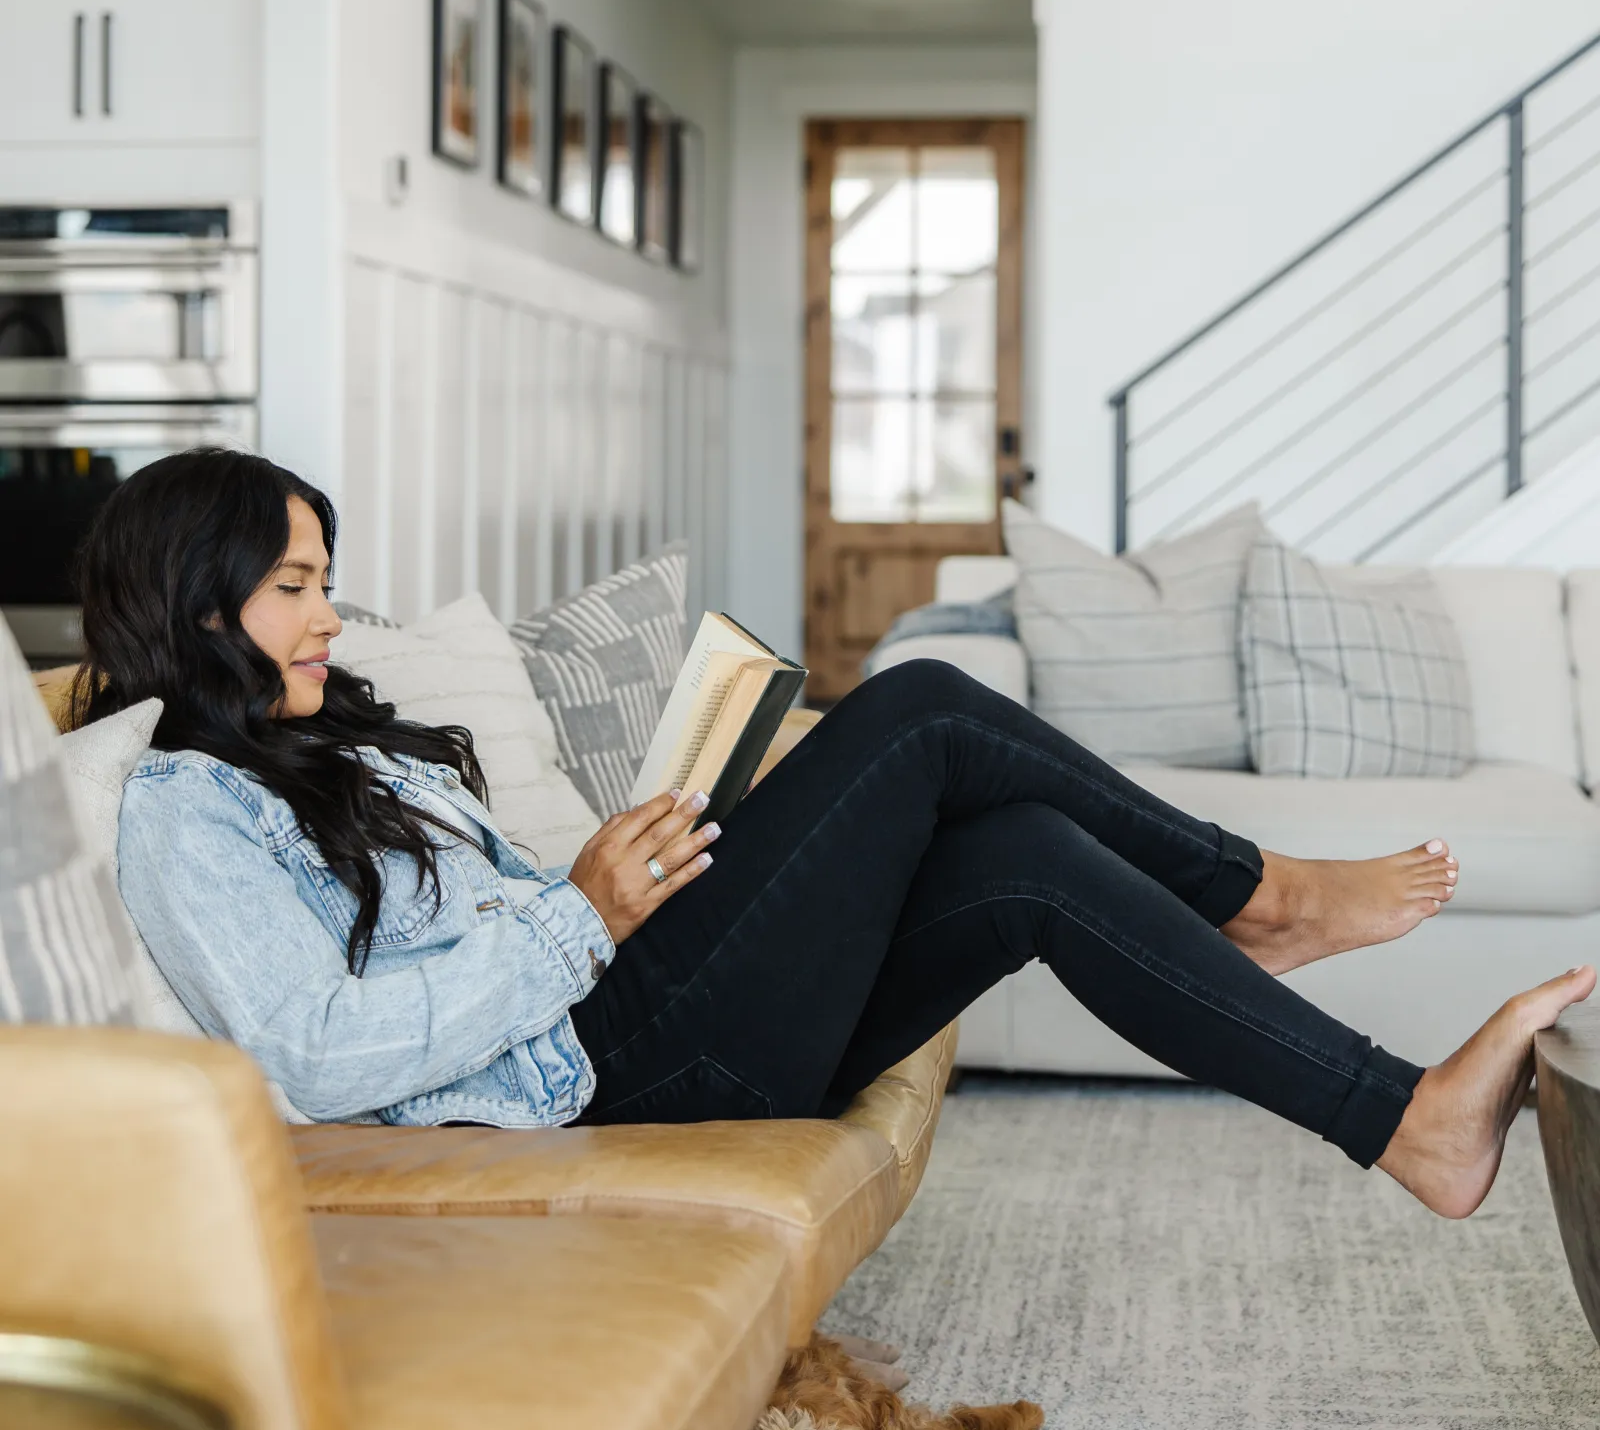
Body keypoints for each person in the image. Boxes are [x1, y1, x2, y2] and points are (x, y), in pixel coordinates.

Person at [86, 449, 1590, 1215]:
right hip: (601, 1072)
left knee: (1024, 865)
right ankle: (1256, 895)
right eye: (295, 583)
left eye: (323, 577)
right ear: (196, 594)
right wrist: (583, 920)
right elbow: (318, 1055)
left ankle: (1402, 1121)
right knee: (928, 706)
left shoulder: (324, 736)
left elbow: (482, 928)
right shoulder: (182, 807)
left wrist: (618, 867)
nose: (329, 612)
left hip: (610, 997)